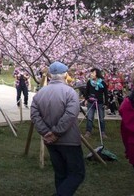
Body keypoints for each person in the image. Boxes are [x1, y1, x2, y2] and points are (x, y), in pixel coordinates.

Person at [30, 61, 85, 196]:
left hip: (50, 142)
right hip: (69, 141)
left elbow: (34, 114)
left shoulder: (40, 93)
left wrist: (46, 132)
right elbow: (71, 115)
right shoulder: (70, 92)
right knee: (77, 173)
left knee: (60, 173)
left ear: (50, 75)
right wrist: (56, 132)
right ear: (65, 74)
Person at [84, 67, 109, 138]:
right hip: (91, 102)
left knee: (101, 118)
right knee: (89, 117)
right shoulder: (89, 82)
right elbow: (87, 91)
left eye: (93, 73)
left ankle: (103, 132)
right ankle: (88, 131)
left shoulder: (102, 83)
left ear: (97, 74)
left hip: (100, 103)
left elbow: (106, 94)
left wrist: (106, 103)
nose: (91, 74)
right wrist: (86, 99)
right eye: (91, 73)